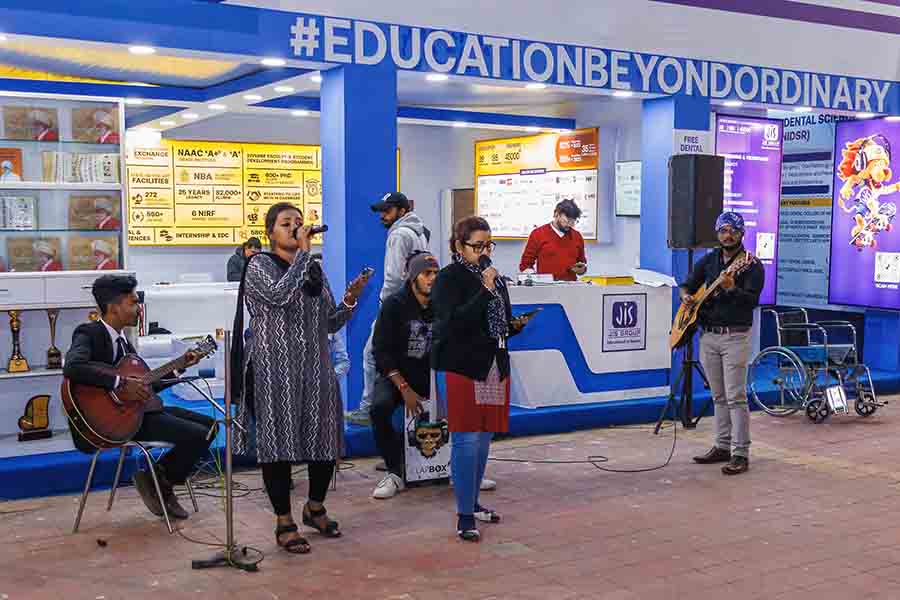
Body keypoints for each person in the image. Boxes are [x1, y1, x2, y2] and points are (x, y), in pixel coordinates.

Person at [231, 202, 371, 555]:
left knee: (324, 440)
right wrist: (304, 256)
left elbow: (329, 322)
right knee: (277, 446)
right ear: (270, 233)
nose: (295, 227)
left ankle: (315, 508)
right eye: (286, 223)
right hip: (274, 370)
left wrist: (349, 301)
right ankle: (284, 521)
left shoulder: (313, 269)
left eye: (298, 221)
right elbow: (279, 296)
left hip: (315, 368)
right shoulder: (257, 265)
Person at [64, 274, 215, 520]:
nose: (139, 308)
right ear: (114, 307)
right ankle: (161, 482)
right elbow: (73, 367)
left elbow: (145, 387)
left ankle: (159, 479)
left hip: (137, 412)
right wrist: (120, 382)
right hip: (113, 422)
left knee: (211, 427)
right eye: (133, 303)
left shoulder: (126, 343)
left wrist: (180, 367)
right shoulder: (88, 333)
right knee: (197, 434)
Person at [432, 216, 536, 542]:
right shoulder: (448, 278)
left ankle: (474, 502)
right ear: (458, 246)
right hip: (462, 365)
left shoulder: (495, 278)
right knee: (466, 438)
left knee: (483, 438)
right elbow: (452, 324)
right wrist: (485, 290)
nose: (484, 252)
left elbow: (497, 320)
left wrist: (513, 326)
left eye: (488, 245)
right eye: (477, 246)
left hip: (493, 363)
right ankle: (464, 515)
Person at [679, 211, 764, 476]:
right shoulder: (709, 260)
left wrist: (730, 288)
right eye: (723, 231)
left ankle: (740, 453)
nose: (728, 236)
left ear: (742, 234)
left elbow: (751, 301)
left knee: (735, 396)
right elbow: (687, 284)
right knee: (718, 396)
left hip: (735, 336)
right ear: (717, 233)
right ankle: (722, 446)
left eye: (733, 231)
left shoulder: (751, 265)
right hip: (709, 336)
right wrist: (686, 297)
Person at [345, 192, 428, 427]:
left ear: (402, 211)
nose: (382, 215)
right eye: (381, 211)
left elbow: (393, 277)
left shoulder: (399, 235)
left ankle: (367, 410)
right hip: (415, 304)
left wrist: (386, 304)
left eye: (387, 210)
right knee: (406, 358)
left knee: (371, 354)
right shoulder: (420, 232)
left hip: (396, 305)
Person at [370, 251, 439, 499]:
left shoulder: (442, 303)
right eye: (426, 274)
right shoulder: (394, 304)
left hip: (430, 374)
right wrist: (404, 387)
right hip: (396, 374)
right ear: (413, 277)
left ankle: (458, 468)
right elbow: (380, 351)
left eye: (436, 273)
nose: (432, 279)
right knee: (379, 408)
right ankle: (394, 471)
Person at [518, 199, 587, 281]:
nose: (570, 225)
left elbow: (582, 265)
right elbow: (525, 265)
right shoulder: (538, 234)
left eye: (573, 221)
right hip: (545, 286)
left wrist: (581, 270)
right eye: (567, 220)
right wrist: (535, 279)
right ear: (556, 214)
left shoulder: (577, 236)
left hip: (570, 286)